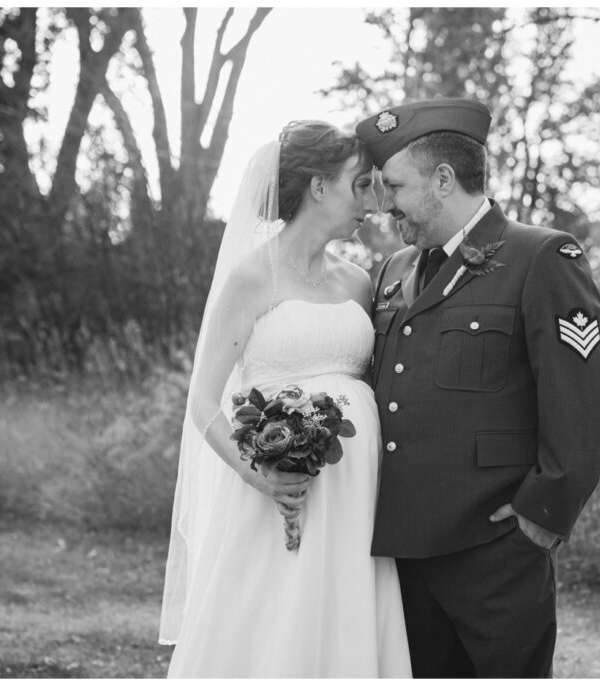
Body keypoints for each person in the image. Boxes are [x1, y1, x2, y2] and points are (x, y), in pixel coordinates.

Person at [355, 98, 600, 678]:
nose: (384, 206)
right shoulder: (395, 268)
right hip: (399, 552)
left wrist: (541, 517)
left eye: (395, 187)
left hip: (494, 554)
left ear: (443, 180)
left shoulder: (542, 255)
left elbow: (583, 400)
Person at [159, 121, 411, 677]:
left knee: (346, 625)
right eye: (359, 185)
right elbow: (203, 403)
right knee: (272, 632)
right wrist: (261, 473)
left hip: (359, 491)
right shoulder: (252, 278)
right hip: (279, 492)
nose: (371, 203)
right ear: (319, 188)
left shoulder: (358, 283)